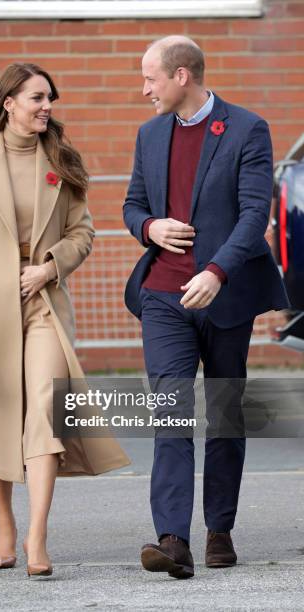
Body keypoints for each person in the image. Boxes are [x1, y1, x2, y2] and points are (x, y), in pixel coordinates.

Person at [0, 62, 129, 577]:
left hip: (43, 306)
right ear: (8, 102)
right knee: (0, 417)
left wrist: (49, 267)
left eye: (49, 98)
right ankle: (5, 524)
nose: (47, 106)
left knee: (45, 408)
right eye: (37, 97)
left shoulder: (62, 159)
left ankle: (37, 537)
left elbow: (83, 233)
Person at [123, 36, 289, 579]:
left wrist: (216, 271)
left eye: (151, 78)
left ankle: (219, 530)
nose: (144, 89)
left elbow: (252, 216)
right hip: (164, 298)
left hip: (224, 297)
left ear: (182, 77)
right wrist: (150, 226)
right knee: (170, 414)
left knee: (223, 415)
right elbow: (131, 205)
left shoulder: (247, 129)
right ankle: (173, 539)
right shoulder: (149, 135)